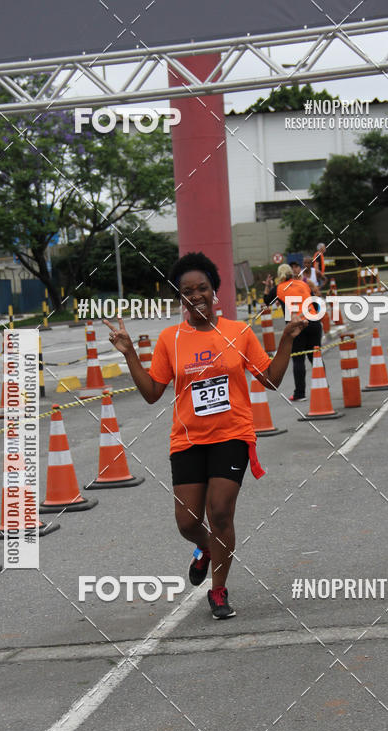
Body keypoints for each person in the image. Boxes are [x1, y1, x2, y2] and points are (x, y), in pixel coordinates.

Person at [105, 251, 305, 620]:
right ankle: (208, 548)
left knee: (220, 513)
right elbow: (152, 393)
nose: (195, 295)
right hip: (187, 440)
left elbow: (270, 380)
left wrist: (287, 339)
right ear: (179, 297)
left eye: (202, 288)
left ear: (215, 292)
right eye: (187, 290)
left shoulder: (238, 332)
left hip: (232, 434)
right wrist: (130, 353)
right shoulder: (170, 339)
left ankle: (218, 589)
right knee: (187, 523)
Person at [265, 263, 323, 402]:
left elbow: (267, 302)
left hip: (296, 326)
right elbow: (315, 303)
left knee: (298, 359)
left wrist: (268, 285)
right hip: (313, 322)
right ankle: (323, 388)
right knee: (315, 357)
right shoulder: (302, 284)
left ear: (280, 275)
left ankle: (300, 393)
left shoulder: (278, 288)